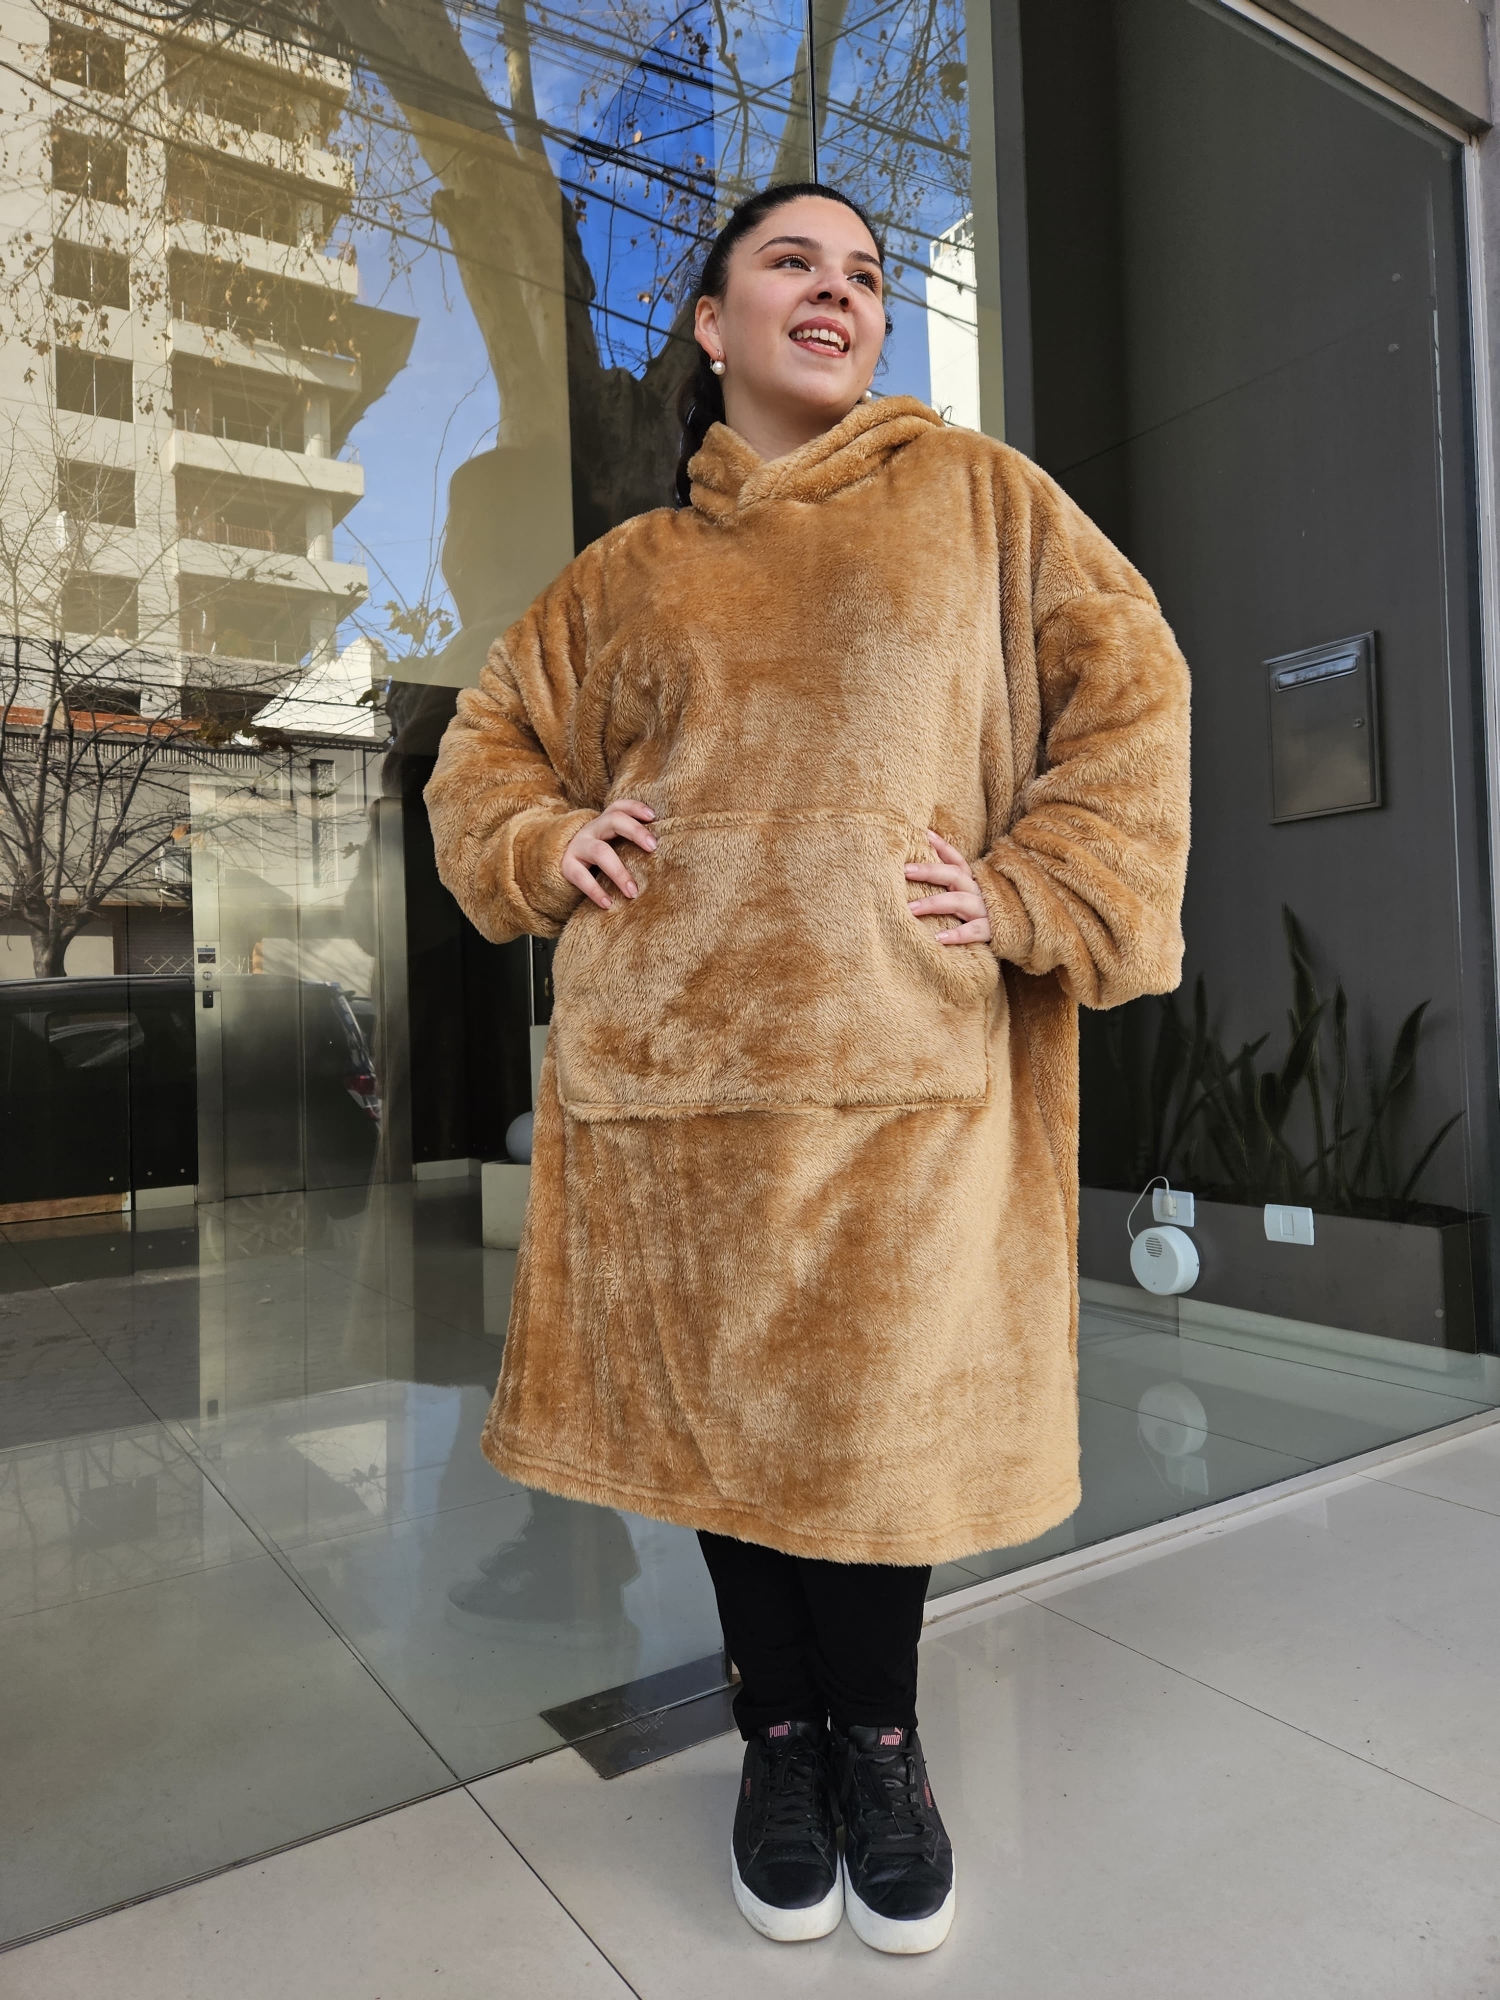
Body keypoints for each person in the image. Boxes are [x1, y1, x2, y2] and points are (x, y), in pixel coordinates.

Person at [425, 180, 1191, 1955]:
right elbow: (486, 745)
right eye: (793, 264)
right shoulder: (627, 573)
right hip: (676, 1077)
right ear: (712, 324)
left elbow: (1134, 689)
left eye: (862, 272)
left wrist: (1032, 889)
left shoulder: (981, 501)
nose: (837, 292)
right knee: (732, 1426)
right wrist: (547, 845)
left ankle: (883, 1749)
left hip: (906, 1065)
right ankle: (779, 1738)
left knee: (872, 1425)